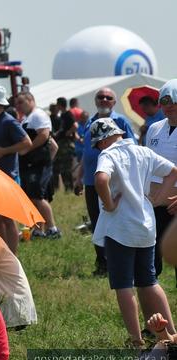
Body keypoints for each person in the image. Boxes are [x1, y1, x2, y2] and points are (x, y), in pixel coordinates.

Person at [91, 117, 177, 347]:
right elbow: (173, 171)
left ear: (101, 141)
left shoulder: (108, 154)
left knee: (123, 284)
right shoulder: (143, 152)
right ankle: (171, 334)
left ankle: (136, 339)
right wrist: (159, 198)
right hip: (146, 226)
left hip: (120, 229)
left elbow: (100, 179)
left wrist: (108, 205)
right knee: (149, 280)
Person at [75, 87, 137, 276]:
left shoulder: (121, 121)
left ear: (114, 102)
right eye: (100, 97)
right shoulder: (89, 123)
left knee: (116, 221)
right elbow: (87, 153)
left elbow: (132, 149)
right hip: (91, 182)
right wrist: (78, 176)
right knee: (96, 222)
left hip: (112, 182)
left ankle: (119, 262)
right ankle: (102, 263)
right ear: (95, 101)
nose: (104, 100)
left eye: (108, 97)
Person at [0, 84, 32, 253]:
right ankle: (4, 253)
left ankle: (12, 256)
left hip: (7, 176)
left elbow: (27, 143)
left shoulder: (8, 121)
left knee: (8, 219)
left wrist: (4, 151)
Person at [16, 91, 61, 239]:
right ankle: (37, 229)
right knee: (32, 198)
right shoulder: (29, 118)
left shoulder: (38, 115)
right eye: (17, 103)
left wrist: (29, 149)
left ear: (30, 100)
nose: (18, 106)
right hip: (33, 164)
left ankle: (52, 229)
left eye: (21, 102)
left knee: (37, 197)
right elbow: (53, 144)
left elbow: (44, 135)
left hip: (37, 164)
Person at [145, 79, 177, 286]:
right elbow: (147, 165)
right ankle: (153, 308)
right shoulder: (154, 129)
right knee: (150, 261)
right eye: (165, 101)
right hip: (154, 206)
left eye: (174, 101)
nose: (170, 106)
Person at [52, 97, 76, 192]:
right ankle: (67, 188)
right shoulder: (62, 115)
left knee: (66, 168)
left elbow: (75, 125)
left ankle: (70, 188)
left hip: (66, 144)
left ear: (60, 105)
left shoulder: (67, 114)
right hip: (62, 143)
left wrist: (69, 132)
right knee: (63, 168)